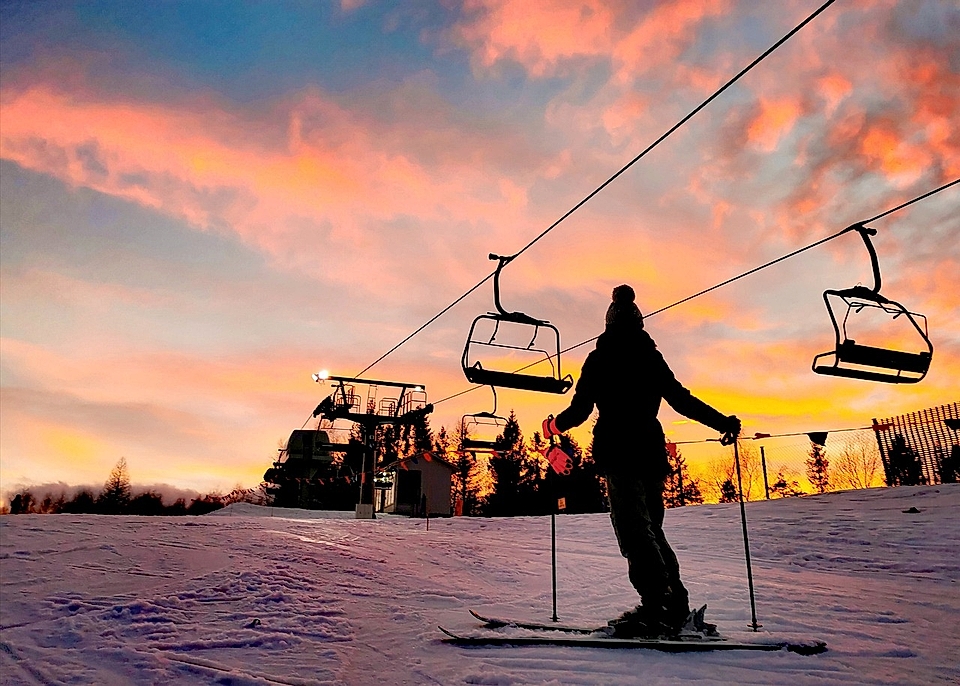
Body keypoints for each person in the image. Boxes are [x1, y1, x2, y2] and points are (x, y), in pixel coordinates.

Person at [542, 285, 740, 636]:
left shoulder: (600, 358)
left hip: (619, 452)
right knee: (651, 529)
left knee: (634, 531)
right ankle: (673, 603)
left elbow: (580, 410)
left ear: (608, 323)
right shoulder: (651, 357)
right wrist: (722, 421)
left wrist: (553, 425)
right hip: (650, 451)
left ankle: (657, 607)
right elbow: (682, 400)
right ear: (639, 322)